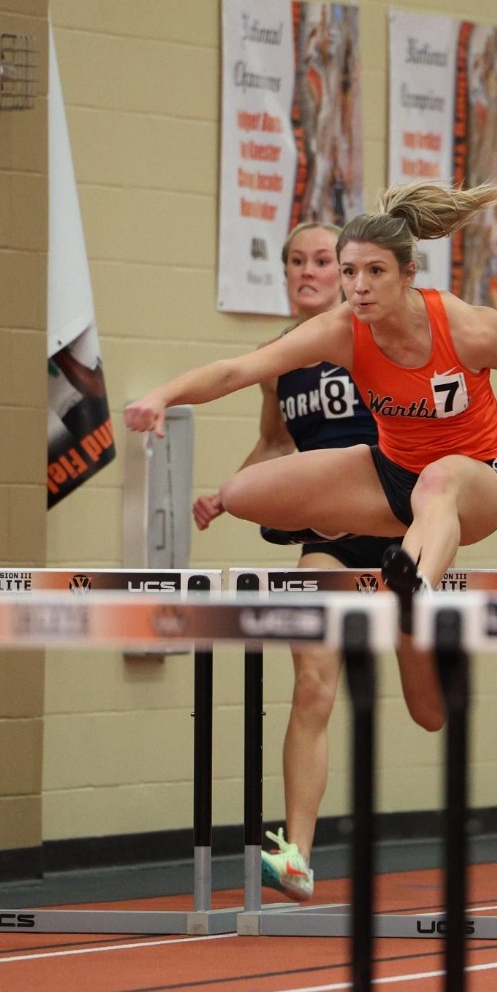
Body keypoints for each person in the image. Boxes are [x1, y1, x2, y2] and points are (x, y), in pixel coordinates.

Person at [125, 173, 497, 702]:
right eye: (349, 272)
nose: (358, 286)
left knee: (439, 479)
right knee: (244, 494)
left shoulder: (466, 327)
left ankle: (416, 593)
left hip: (479, 477)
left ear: (407, 274)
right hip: (394, 476)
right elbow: (238, 370)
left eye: (375, 272)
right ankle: (345, 535)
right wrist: (164, 395)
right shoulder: (340, 330)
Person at [189, 221, 398, 904]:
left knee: (428, 707)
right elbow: (275, 443)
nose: (309, 271)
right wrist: (227, 491)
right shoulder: (278, 359)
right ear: (284, 273)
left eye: (323, 261)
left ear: (345, 273)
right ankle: (298, 851)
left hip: (403, 523)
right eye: (297, 262)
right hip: (330, 536)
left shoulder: (377, 335)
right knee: (312, 681)